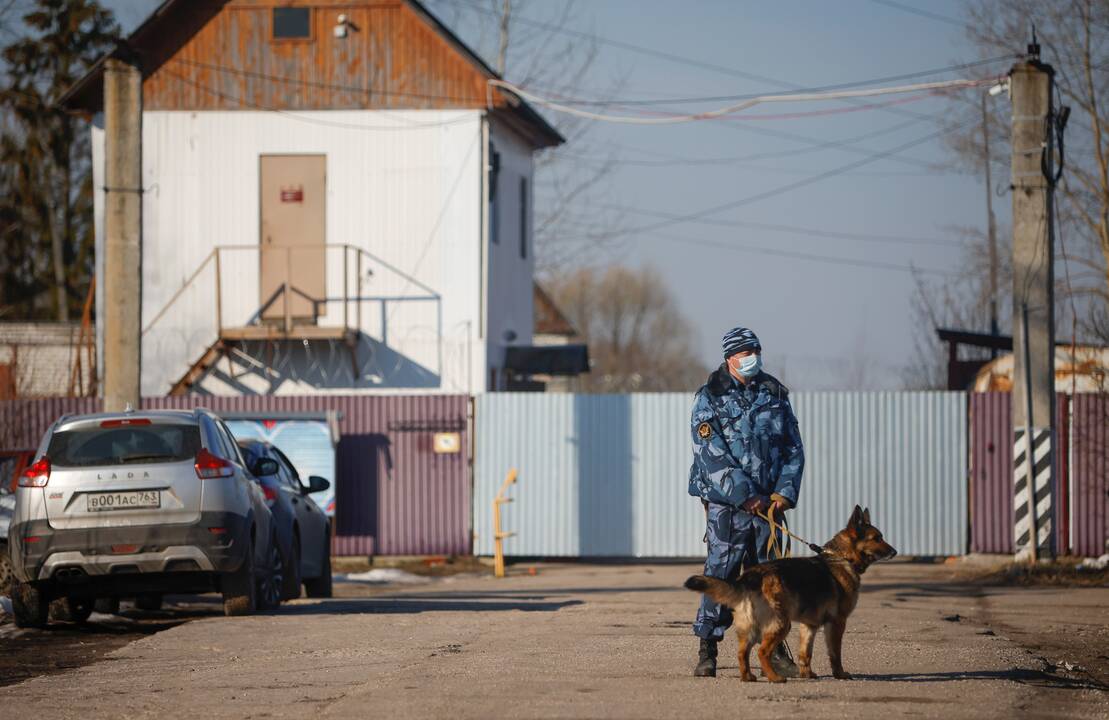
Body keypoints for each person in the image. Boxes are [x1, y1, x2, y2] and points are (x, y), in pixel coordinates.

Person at [687, 326, 805, 678]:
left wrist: (784, 491)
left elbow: (793, 448)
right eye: (745, 351)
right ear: (730, 358)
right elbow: (710, 454)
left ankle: (776, 648)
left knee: (772, 580)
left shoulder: (774, 393)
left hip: (768, 508)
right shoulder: (710, 396)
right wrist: (744, 495)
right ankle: (707, 647)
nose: (753, 356)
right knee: (721, 576)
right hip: (728, 506)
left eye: (756, 349)